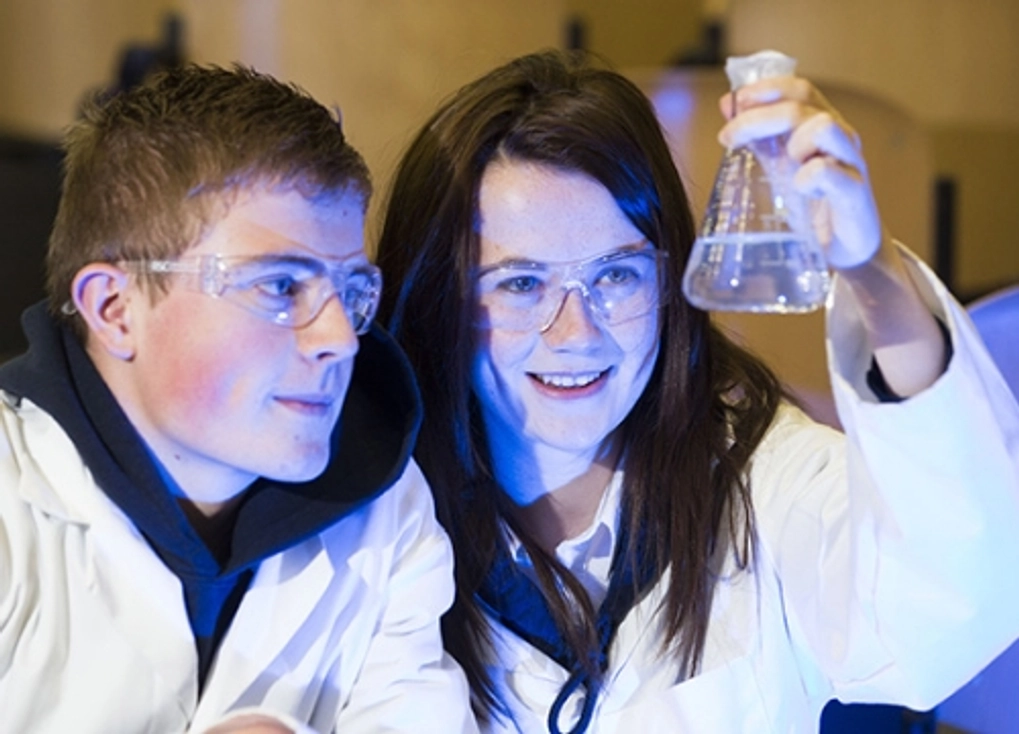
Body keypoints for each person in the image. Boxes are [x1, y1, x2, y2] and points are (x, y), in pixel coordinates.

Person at [374, 49, 1019, 733]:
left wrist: (869, 272)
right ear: (436, 300)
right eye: (520, 283)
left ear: (669, 278)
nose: (574, 332)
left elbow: (945, 611)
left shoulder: (761, 479)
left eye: (616, 276)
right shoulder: (367, 525)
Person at [0, 64, 475, 734]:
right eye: (281, 287)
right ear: (114, 308)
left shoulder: (387, 513)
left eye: (350, 292)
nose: (340, 337)